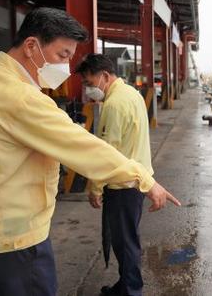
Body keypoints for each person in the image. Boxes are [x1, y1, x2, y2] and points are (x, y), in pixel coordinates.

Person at [0, 7, 180, 296]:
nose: (67, 68)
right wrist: (145, 180)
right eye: (63, 55)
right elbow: (86, 148)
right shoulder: (20, 97)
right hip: (16, 242)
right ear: (32, 46)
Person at [76, 54, 152, 296]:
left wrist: (95, 187)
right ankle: (125, 285)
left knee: (125, 243)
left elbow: (105, 154)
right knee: (126, 239)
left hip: (122, 185)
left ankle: (131, 291)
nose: (88, 90)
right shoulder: (132, 94)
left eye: (89, 83)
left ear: (105, 76)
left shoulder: (114, 104)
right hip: (136, 179)